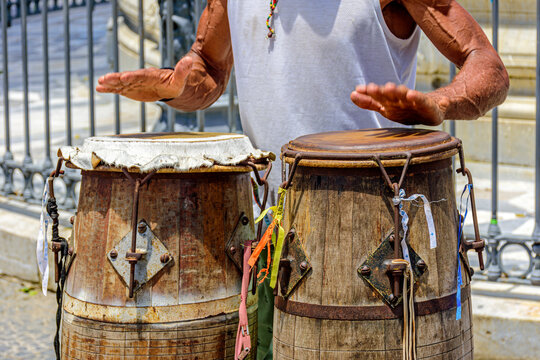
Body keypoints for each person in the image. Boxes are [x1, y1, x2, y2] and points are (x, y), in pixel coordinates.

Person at [96, 0, 508, 358]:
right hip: (271, 231)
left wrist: (439, 103)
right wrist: (175, 86)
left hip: (375, 236)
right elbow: (209, 69)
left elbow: (486, 64)